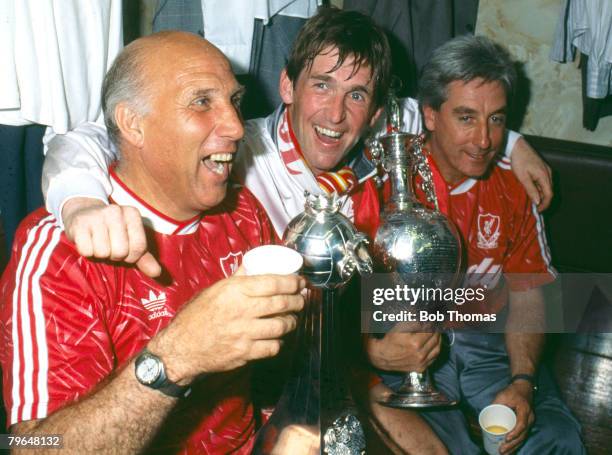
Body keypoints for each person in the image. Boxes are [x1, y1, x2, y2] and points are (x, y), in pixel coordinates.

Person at [39, 7, 552, 453]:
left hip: (331, 370)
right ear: (287, 86)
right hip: (264, 386)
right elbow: (91, 137)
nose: (335, 114)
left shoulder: (371, 160)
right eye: (321, 86)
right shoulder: (236, 153)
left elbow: (455, 117)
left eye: (356, 97)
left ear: (374, 114)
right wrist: (80, 204)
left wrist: (513, 145)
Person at [0, 32, 306, 453]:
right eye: (202, 102)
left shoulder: (242, 211)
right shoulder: (59, 251)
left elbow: (278, 373)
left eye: (234, 101)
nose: (237, 126)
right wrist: (177, 357)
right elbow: (34, 449)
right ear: (132, 124)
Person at [370, 35, 585, 454]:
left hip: (490, 344)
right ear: (429, 115)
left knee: (557, 439)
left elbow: (529, 292)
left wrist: (523, 382)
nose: (485, 140)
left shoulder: (513, 185)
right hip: (411, 345)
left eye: (497, 120)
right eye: (466, 118)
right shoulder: (389, 178)